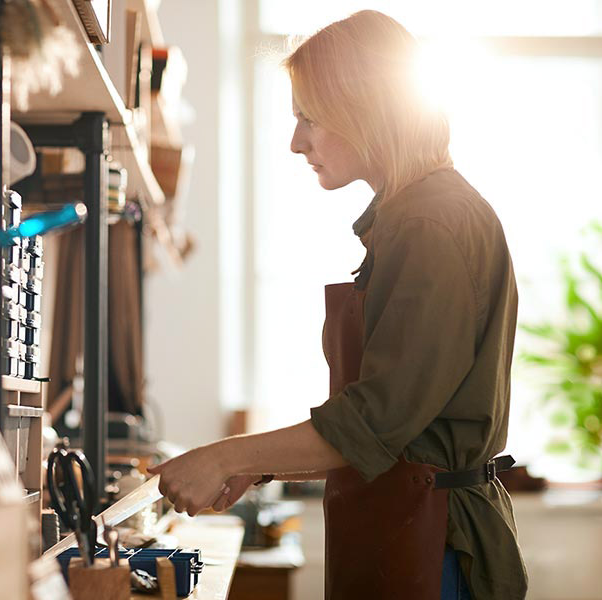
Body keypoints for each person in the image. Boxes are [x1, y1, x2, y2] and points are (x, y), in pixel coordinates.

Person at [147, 10, 528, 600]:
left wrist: (223, 457)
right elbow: (395, 431)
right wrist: (260, 464)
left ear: (366, 110)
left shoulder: (430, 223)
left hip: (435, 546)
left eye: (309, 118)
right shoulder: (409, 216)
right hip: (405, 527)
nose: (297, 142)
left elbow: (375, 422)